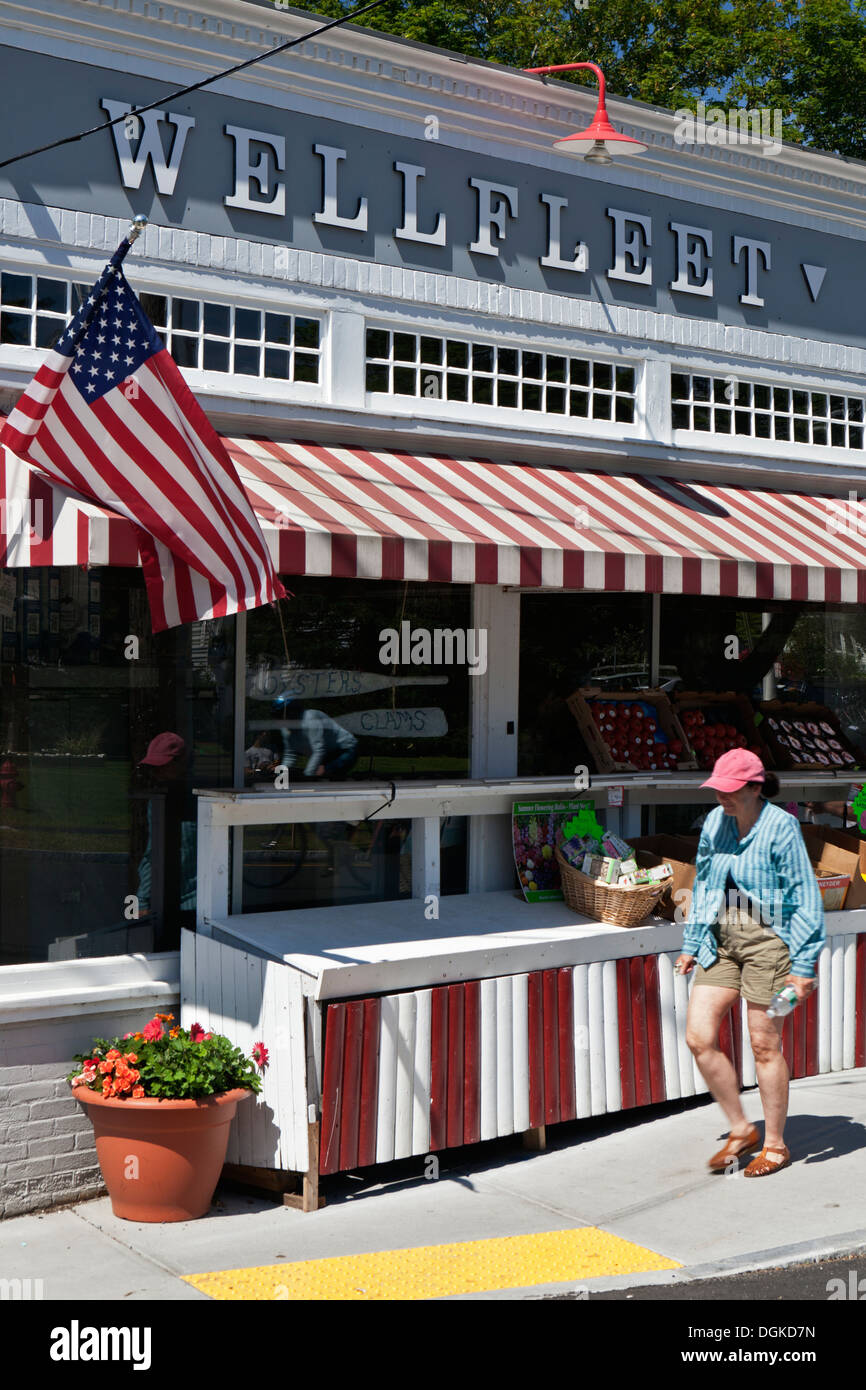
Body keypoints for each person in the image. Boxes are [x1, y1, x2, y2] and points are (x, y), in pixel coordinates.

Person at [676, 749, 825, 1177]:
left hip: (771, 943)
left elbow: (803, 896)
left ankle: (775, 1144)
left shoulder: (781, 827)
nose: (721, 797)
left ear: (754, 788)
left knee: (763, 1043)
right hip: (721, 940)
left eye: (730, 790)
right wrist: (692, 941)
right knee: (698, 1036)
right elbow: (704, 883)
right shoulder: (714, 823)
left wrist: (803, 966)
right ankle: (742, 1128)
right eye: (717, 789)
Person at [136, 732, 197, 948]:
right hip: (182, 901)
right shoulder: (165, 800)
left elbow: (155, 855)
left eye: (162, 766)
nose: (157, 773)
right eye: (154, 768)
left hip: (186, 904)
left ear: (181, 764)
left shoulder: (170, 801)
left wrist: (142, 899)